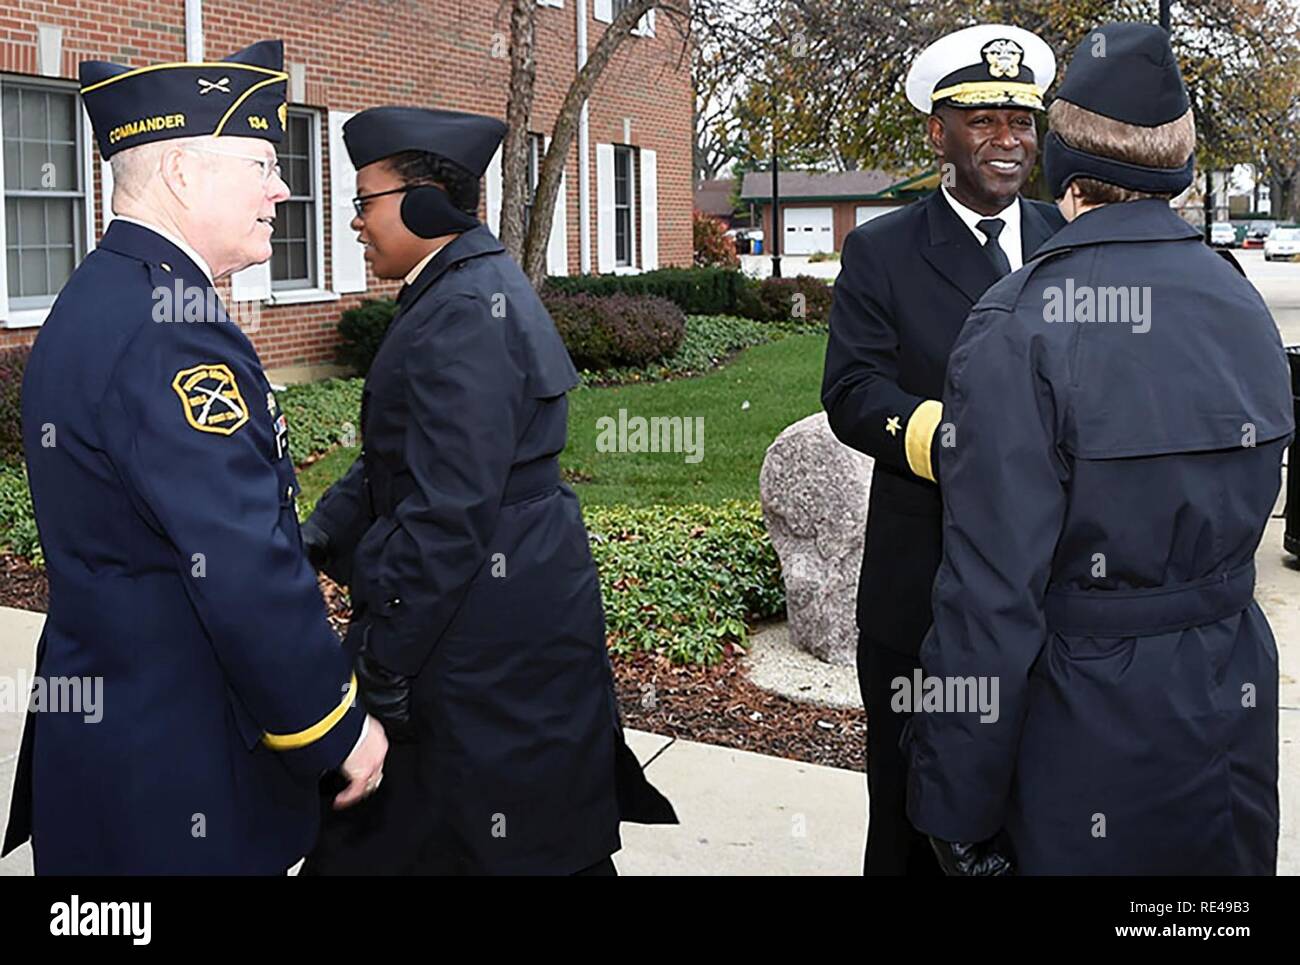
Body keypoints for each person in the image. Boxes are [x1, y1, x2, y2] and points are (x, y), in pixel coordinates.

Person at [904, 22, 1293, 875]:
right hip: (1229, 712)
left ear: (1064, 170)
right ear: (1178, 167)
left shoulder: (1018, 325)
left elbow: (989, 602)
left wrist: (954, 803)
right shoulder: (1239, 301)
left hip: (1084, 730)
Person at [0, 40, 387, 875]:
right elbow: (241, 562)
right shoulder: (171, 330)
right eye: (260, 163)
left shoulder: (101, 295)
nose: (282, 188)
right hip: (178, 775)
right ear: (182, 173)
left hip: (116, 752)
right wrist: (337, 725)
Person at [299, 106, 674, 876]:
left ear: (425, 204)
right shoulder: (459, 288)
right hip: (495, 615)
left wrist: (385, 661)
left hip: (476, 637)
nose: (353, 222)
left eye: (365, 200)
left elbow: (448, 512)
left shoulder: (466, 311)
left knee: (473, 835)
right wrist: (313, 539)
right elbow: (394, 461)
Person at [820, 24, 1063, 875]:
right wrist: (963, 443)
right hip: (923, 585)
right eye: (983, 121)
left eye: (1021, 122)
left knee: (1037, 810)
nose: (1008, 141)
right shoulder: (881, 249)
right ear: (938, 131)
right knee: (912, 819)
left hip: (1053, 590)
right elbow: (851, 394)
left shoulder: (1067, 239)